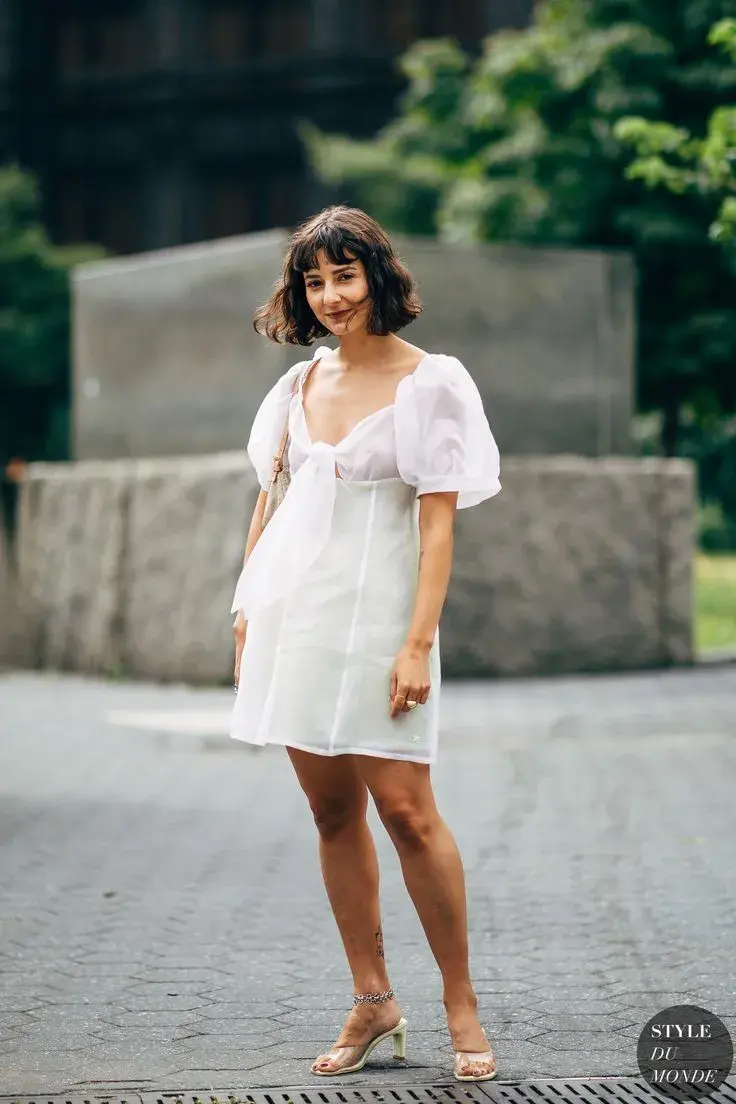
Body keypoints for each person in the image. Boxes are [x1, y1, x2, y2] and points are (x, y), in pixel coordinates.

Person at [230, 205, 502, 1081]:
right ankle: (373, 997)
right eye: (314, 280)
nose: (330, 295)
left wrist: (418, 643)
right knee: (331, 810)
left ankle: (461, 1003)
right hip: (297, 618)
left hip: (383, 620)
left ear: (379, 275)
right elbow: (268, 502)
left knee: (408, 813)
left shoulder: (434, 384)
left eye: (344, 275)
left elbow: (439, 527)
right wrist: (245, 613)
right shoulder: (295, 389)